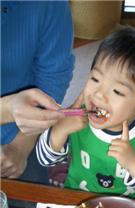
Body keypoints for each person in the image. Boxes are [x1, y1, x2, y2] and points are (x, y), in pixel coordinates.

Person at [36, 26, 135, 202]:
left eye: (117, 91)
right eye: (95, 79)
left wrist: (134, 163)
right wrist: (60, 129)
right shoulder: (76, 118)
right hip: (78, 201)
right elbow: (44, 160)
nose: (98, 94)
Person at [0, 0, 74, 183]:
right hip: (14, 116)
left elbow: (53, 75)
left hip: (17, 132)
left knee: (34, 207)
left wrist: (20, 147)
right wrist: (6, 110)